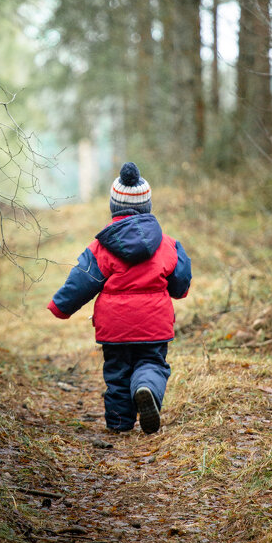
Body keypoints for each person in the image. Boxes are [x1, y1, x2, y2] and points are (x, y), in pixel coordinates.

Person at [47, 162, 191, 434]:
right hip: (155, 324)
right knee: (152, 363)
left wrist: (60, 306)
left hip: (115, 327)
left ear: (114, 205)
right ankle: (146, 387)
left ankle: (119, 424)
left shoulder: (101, 246)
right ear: (147, 205)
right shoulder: (168, 244)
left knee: (117, 373)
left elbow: (82, 281)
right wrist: (177, 290)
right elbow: (180, 283)